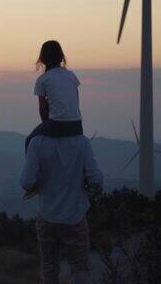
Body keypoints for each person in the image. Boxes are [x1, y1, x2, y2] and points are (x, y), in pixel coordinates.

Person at [20, 40, 103, 284]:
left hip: (48, 216)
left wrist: (48, 124)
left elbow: (43, 109)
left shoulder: (42, 81)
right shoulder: (71, 76)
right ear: (62, 57)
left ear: (43, 59)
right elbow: (75, 101)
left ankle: (37, 184)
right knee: (81, 268)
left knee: (29, 140)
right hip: (76, 125)